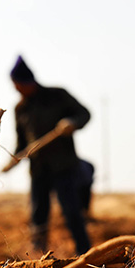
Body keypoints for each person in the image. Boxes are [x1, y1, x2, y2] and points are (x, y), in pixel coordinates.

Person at [10, 55, 93, 255]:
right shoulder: (21, 109)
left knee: (72, 213)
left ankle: (85, 254)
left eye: (19, 84)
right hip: (38, 170)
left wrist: (71, 123)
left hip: (64, 167)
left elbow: (84, 114)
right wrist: (14, 158)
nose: (17, 89)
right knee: (38, 215)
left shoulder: (58, 95)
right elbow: (22, 142)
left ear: (27, 82)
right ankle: (38, 255)